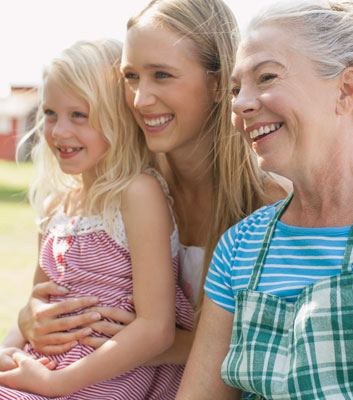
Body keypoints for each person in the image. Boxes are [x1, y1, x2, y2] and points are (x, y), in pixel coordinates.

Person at [13, 0, 288, 360]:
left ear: (219, 83)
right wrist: (30, 319)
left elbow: (280, 349)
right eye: (130, 77)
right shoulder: (127, 185)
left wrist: (150, 342)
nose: (140, 100)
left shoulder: (269, 201)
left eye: (162, 75)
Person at [176, 0, 353, 399]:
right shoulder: (239, 248)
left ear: (345, 90)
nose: (240, 104)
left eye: (266, 77)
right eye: (235, 88)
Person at [0, 38, 194, 399]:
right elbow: (39, 305)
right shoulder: (56, 206)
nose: (59, 131)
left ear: (117, 119)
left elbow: (157, 328)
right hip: (46, 366)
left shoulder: (137, 194)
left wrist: (54, 383)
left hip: (103, 378)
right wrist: (9, 348)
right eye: (50, 113)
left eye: (79, 115)